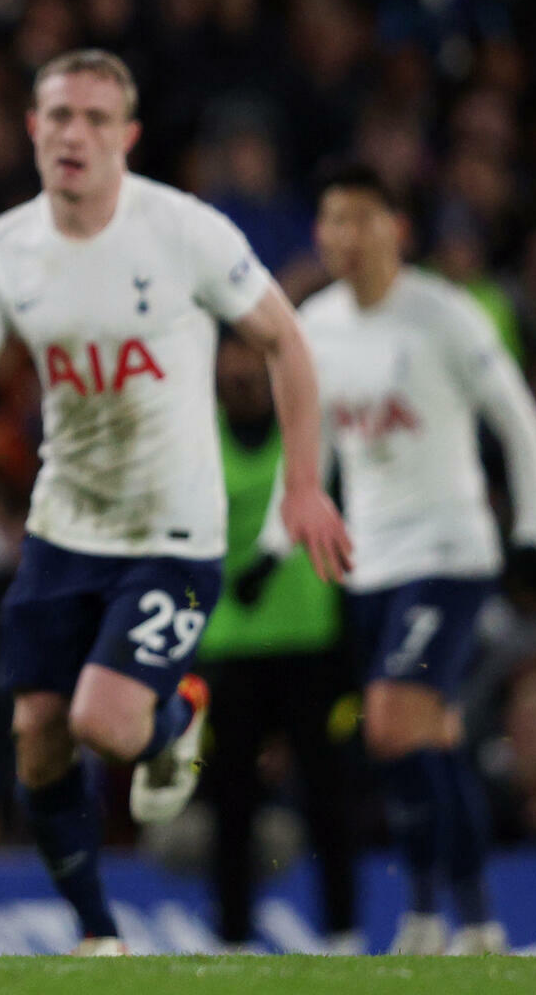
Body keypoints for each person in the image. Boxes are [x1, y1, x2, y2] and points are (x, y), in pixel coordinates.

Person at [0, 49, 351, 956]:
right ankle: (100, 937)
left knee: (104, 722)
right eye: (60, 115)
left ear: (128, 138)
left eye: (98, 119)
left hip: (175, 532)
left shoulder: (187, 233)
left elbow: (287, 344)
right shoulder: (8, 249)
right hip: (66, 529)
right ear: (34, 128)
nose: (76, 134)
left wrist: (301, 483)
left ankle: (178, 715)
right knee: (37, 738)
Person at [248, 163, 536, 955]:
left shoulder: (446, 316)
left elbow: (520, 423)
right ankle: (481, 924)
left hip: (452, 552)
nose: (342, 237)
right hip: (371, 563)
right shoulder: (313, 324)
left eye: (358, 219)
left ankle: (422, 918)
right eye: (330, 222)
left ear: (397, 228)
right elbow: (309, 455)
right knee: (432, 737)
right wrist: (272, 547)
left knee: (389, 720)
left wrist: (535, 534)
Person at [199, 338, 360, 953]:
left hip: (310, 639)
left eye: (251, 362)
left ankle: (343, 935)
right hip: (229, 645)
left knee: (328, 798)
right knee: (231, 804)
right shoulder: (197, 436)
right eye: (230, 361)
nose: (239, 373)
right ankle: (234, 940)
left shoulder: (307, 427)